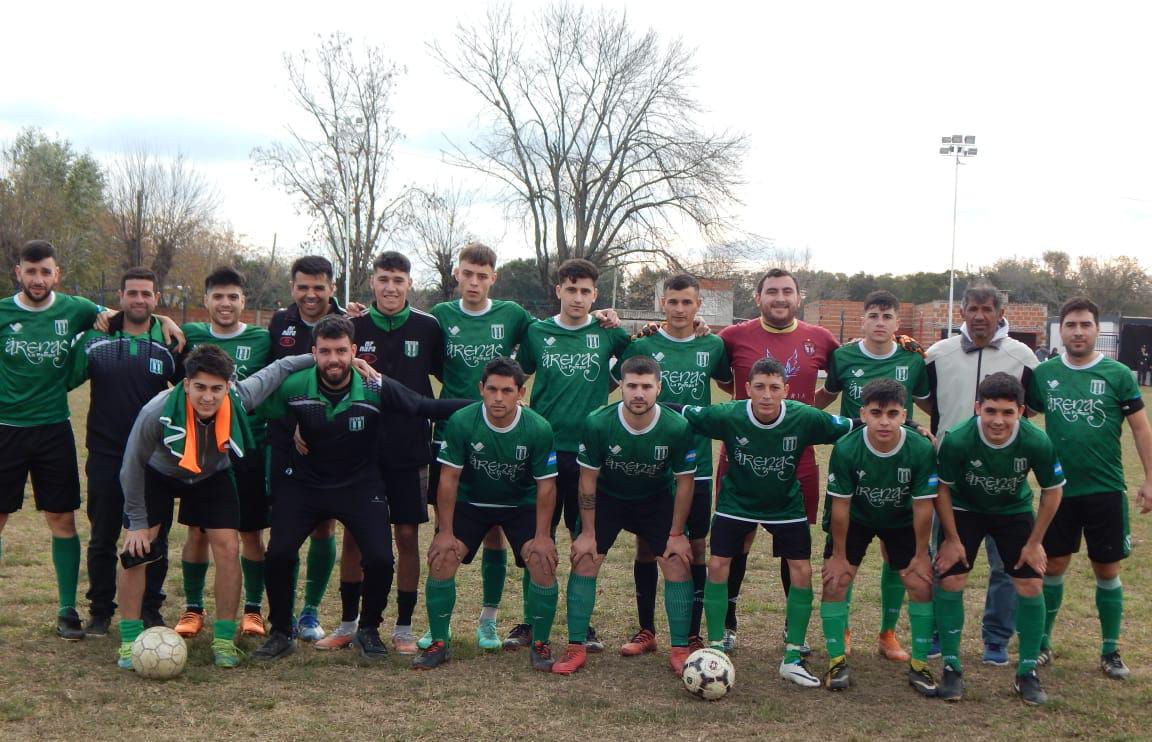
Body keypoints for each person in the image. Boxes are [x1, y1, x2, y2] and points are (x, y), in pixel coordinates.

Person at [251, 315, 465, 661]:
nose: (333, 359)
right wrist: (291, 431)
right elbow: (266, 413)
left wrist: (485, 408)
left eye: (340, 351)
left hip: (359, 484)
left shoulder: (373, 385)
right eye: (325, 352)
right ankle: (280, 632)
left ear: (353, 351)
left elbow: (424, 406)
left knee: (380, 559)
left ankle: (368, 629)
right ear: (313, 353)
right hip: (305, 485)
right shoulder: (295, 385)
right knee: (278, 554)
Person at [116, 345, 316, 669]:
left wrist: (328, 357)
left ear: (228, 386)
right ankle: (128, 639)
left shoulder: (240, 397)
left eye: (216, 389)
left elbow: (282, 366)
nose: (207, 397)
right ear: (186, 384)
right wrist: (137, 523)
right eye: (200, 387)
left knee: (227, 547)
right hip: (159, 473)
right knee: (137, 548)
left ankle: (223, 639)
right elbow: (131, 465)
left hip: (210, 475)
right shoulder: (156, 411)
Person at [682, 357, 854, 687]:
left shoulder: (803, 417)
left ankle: (792, 657)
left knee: (801, 570)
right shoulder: (729, 415)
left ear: (786, 390)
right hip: (736, 502)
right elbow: (683, 412)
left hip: (785, 505)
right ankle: (716, 647)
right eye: (759, 387)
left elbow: (851, 425)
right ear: (747, 388)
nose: (766, 394)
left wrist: (908, 426)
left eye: (774, 388)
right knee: (717, 565)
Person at [322, 251, 443, 655]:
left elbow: (446, 377)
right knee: (355, 537)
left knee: (407, 535)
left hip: (410, 448)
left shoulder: (428, 327)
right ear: (372, 282)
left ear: (409, 283)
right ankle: (348, 624)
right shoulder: (352, 326)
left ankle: (404, 628)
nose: (391, 287)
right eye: (383, 279)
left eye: (398, 280)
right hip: (360, 449)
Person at [1026, 297, 1152, 679]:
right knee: (1054, 565)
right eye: (1071, 325)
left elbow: (1140, 428)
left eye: (1085, 325)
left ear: (1097, 329)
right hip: (1058, 491)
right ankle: (1042, 643)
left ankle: (1110, 649)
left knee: (1107, 568)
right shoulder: (1044, 374)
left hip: (1106, 488)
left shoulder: (1119, 374)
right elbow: (1021, 418)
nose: (1078, 332)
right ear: (1060, 330)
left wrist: (1150, 478)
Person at [715, 268, 838, 654]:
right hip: (741, 457)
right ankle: (727, 623)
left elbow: (838, 380)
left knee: (793, 545)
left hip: (797, 461)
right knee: (737, 541)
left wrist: (806, 416)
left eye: (787, 291)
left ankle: (792, 628)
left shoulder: (821, 338)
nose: (780, 298)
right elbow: (722, 380)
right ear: (758, 297)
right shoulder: (732, 337)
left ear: (799, 298)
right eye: (772, 291)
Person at [550, 356, 697, 676]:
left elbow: (685, 483)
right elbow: (587, 480)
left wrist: (676, 534)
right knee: (585, 557)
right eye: (631, 386)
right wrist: (588, 532)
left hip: (656, 499)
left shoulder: (677, 426)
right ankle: (576, 647)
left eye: (646, 386)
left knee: (676, 561)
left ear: (659, 388)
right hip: (609, 498)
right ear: (621, 387)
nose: (639, 393)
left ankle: (680, 649)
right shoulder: (598, 423)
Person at [412, 357, 560, 671]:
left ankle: (541, 644)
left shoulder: (538, 427)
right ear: (481, 388)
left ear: (521, 392)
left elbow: (546, 487)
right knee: (442, 557)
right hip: (472, 503)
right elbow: (448, 479)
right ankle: (439, 642)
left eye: (507, 391)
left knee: (542, 560)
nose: (498, 397)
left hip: (519, 505)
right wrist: (444, 531)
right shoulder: (462, 422)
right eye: (492, 389)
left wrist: (543, 536)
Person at [515, 258, 631, 652]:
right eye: (571, 289)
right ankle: (531, 620)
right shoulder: (537, 332)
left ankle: (583, 624)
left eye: (585, 291)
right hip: (545, 452)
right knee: (539, 536)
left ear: (595, 295)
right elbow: (517, 378)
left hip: (589, 455)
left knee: (585, 538)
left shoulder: (607, 333)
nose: (577, 297)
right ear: (558, 291)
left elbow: (635, 365)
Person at [613, 273, 731, 655]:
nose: (679, 309)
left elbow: (729, 385)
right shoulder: (644, 344)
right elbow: (617, 382)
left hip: (697, 463)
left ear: (698, 306)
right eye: (673, 301)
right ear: (662, 304)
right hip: (652, 463)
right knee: (647, 546)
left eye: (687, 302)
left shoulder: (712, 345)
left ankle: (692, 633)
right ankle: (646, 630)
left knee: (695, 547)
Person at [924, 279, 1038, 667]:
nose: (979, 316)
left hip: (1004, 480)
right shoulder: (938, 354)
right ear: (961, 312)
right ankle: (939, 631)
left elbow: (1031, 408)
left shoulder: (1023, 357)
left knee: (1006, 566)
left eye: (987, 309)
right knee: (945, 558)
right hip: (951, 478)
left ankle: (996, 637)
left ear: (1001, 314)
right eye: (972, 308)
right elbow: (928, 402)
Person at [427, 242, 535, 652]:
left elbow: (548, 336)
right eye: (467, 274)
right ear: (457, 274)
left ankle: (488, 620)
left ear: (494, 277)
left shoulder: (512, 315)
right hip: (452, 431)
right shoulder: (440, 315)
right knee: (446, 528)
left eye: (482, 275)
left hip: (501, 434)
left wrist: (603, 317)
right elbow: (434, 363)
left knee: (494, 531)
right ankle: (438, 624)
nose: (474, 282)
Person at [933, 372, 1065, 705]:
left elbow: (1052, 491)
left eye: (1007, 412)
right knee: (951, 578)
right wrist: (951, 538)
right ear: (977, 407)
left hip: (1013, 510)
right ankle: (951, 666)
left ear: (1021, 411)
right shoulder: (958, 439)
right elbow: (942, 488)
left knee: (1030, 583)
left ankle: (1027, 671)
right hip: (964, 509)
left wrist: (1034, 543)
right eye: (990, 410)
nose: (998, 420)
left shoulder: (1036, 441)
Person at [65, 267, 181, 637]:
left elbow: (195, 390)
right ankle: (100, 611)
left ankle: (149, 608)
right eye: (132, 293)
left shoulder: (169, 341)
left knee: (154, 537)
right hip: (106, 453)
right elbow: (66, 378)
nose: (139, 300)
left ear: (156, 298)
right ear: (120, 297)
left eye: (147, 294)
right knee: (103, 535)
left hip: (154, 459)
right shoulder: (96, 338)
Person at [0, 240, 108, 639]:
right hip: (5, 429)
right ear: (19, 273)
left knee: (62, 518)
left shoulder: (75, 309)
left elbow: (119, 315)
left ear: (56, 274)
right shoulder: (3, 312)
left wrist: (164, 320)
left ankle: (67, 609)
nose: (38, 279)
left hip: (53, 429)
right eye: (31, 271)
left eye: (45, 272)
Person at [815, 290, 930, 662]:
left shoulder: (912, 359)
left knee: (895, 558)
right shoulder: (843, 356)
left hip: (898, 467)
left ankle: (888, 633)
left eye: (887, 316)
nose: (880, 323)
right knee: (843, 560)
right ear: (862, 320)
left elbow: (927, 404)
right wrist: (794, 415)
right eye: (874, 315)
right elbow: (826, 395)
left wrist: (930, 430)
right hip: (855, 464)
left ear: (898, 322)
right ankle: (843, 631)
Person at [819, 379, 939, 695]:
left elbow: (923, 507)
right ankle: (836, 661)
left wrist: (921, 555)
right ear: (863, 414)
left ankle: (920, 665)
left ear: (904, 415)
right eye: (876, 413)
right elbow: (841, 507)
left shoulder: (920, 448)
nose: (884, 421)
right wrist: (839, 556)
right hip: (856, 518)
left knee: (921, 583)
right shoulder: (847, 448)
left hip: (900, 519)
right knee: (835, 581)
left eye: (892, 414)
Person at [177, 267, 273, 639]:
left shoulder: (261, 338)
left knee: (250, 534)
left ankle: (253, 610)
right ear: (205, 300)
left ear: (243, 301)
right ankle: (193, 608)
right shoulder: (190, 335)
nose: (225, 303)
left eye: (233, 296)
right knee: (198, 531)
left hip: (247, 448)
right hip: (202, 451)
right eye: (218, 296)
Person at [265, 255, 347, 641]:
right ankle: (281, 611)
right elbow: (274, 380)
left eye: (318, 287)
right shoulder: (279, 322)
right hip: (283, 437)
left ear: (332, 287)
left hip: (328, 439)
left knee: (323, 525)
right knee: (285, 525)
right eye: (303, 287)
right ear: (292, 287)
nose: (310, 295)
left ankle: (311, 611)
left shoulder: (349, 321)